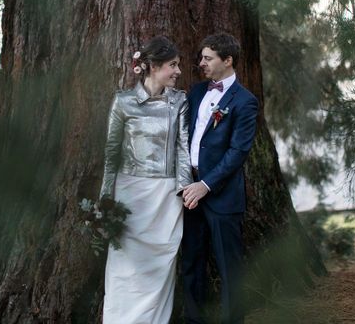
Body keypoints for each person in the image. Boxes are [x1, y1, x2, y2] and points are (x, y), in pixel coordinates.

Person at [99, 36, 193, 323]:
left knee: (161, 263)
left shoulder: (180, 101)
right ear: (152, 67)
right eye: (172, 65)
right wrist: (105, 200)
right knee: (125, 265)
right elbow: (111, 152)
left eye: (177, 65)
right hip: (129, 193)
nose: (178, 71)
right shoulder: (123, 101)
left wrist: (183, 189)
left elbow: (183, 149)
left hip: (166, 196)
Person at [181, 33, 259, 324]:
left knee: (230, 268)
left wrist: (206, 184)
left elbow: (238, 152)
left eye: (208, 58)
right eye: (202, 57)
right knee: (191, 264)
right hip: (189, 192)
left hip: (221, 196)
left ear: (227, 60)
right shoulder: (197, 91)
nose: (201, 63)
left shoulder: (245, 101)